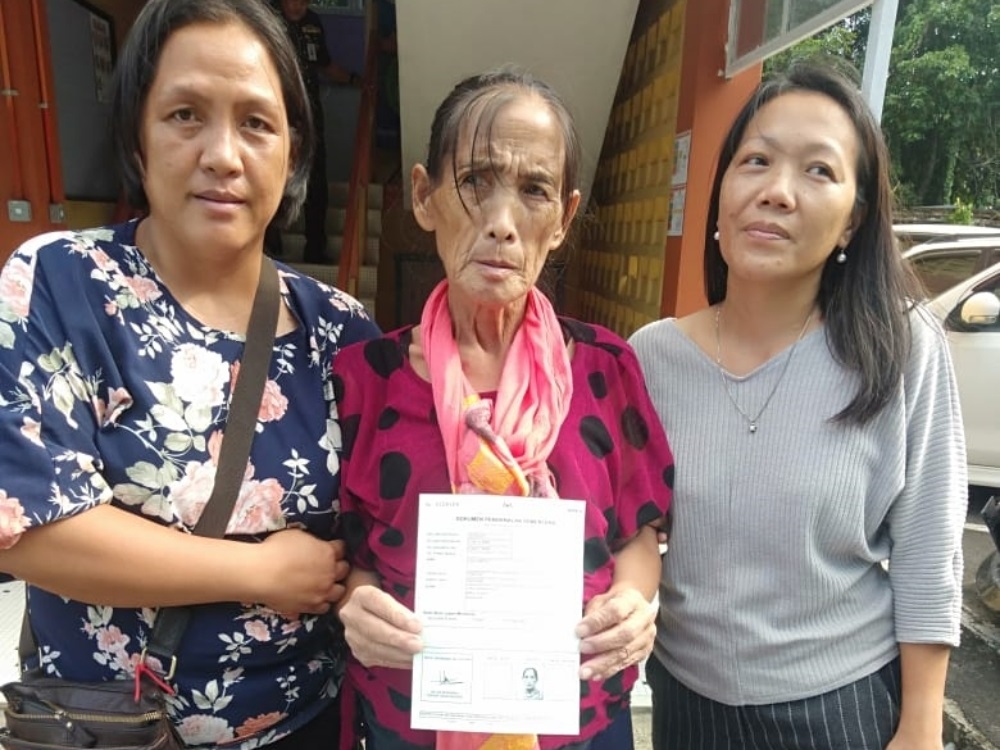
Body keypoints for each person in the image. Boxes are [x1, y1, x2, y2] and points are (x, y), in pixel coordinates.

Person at [0, 0, 379, 747]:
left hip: (302, 724)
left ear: (293, 152)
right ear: (138, 136)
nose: (223, 154)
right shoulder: (60, 284)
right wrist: (255, 573)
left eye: (256, 123)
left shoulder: (341, 330)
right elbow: (30, 528)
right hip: (105, 728)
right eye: (184, 114)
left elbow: (377, 525)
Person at [331, 69, 675, 750]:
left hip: (579, 721)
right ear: (426, 197)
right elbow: (347, 552)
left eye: (534, 191)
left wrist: (635, 601)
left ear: (564, 219)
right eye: (476, 182)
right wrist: (355, 608)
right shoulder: (363, 381)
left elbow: (638, 534)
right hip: (414, 719)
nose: (501, 223)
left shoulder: (606, 368)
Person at [629, 60, 967, 749]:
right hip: (686, 706)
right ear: (721, 191)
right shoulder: (650, 357)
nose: (778, 192)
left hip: (840, 710)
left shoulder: (901, 348)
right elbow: (625, 530)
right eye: (756, 160)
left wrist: (922, 726)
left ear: (852, 221)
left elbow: (929, 550)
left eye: (819, 171)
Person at [268, 0, 361, 263]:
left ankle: (315, 247)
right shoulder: (269, 19)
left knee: (316, 181)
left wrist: (355, 80)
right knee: (275, 173)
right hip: (278, 113)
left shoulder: (313, 23)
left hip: (309, 115)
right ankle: (269, 235)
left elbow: (325, 64)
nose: (298, 5)